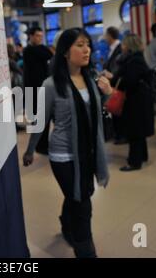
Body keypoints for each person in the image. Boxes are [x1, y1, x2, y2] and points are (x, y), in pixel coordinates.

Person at [23, 28, 113, 258]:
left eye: (88, 45)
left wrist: (107, 93)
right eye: (80, 45)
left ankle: (66, 225)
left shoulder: (91, 79)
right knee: (83, 203)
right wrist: (30, 150)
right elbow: (40, 122)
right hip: (63, 155)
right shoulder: (51, 84)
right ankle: (86, 251)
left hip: (87, 151)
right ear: (65, 51)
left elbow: (93, 109)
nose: (87, 50)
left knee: (75, 196)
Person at [107, 34, 155, 171]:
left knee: (134, 131)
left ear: (128, 46)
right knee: (139, 130)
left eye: (123, 44)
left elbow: (129, 80)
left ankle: (134, 162)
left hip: (135, 100)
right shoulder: (137, 59)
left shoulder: (133, 61)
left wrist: (114, 79)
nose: (122, 46)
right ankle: (142, 156)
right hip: (140, 98)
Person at [23, 26, 53, 154]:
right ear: (31, 36)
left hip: (42, 89)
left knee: (44, 117)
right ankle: (40, 146)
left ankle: (43, 144)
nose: (40, 38)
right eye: (37, 36)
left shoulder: (38, 49)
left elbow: (48, 54)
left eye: (41, 36)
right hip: (33, 90)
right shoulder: (28, 50)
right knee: (38, 119)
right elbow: (47, 53)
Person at [103, 26, 125, 144]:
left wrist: (111, 75)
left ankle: (120, 134)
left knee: (117, 107)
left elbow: (117, 68)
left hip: (116, 83)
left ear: (110, 36)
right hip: (113, 81)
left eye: (106, 35)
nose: (105, 38)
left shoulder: (118, 49)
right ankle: (117, 133)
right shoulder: (113, 48)